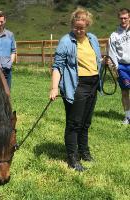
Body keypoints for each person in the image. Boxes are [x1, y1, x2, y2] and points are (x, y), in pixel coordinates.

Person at [49, 7, 102, 171]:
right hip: (77, 86)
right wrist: (54, 87)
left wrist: (104, 62)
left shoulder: (92, 38)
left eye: (82, 27)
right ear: (72, 24)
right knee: (74, 123)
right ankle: (72, 158)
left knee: (85, 123)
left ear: (88, 25)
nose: (79, 30)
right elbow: (57, 66)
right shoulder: (66, 41)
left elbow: (95, 59)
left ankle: (84, 152)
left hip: (93, 84)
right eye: (76, 27)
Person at [108, 8, 130, 124]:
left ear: (129, 18)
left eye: (125, 18)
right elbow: (112, 53)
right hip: (122, 67)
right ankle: (127, 116)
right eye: (121, 18)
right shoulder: (114, 35)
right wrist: (115, 67)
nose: (123, 20)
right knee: (125, 91)